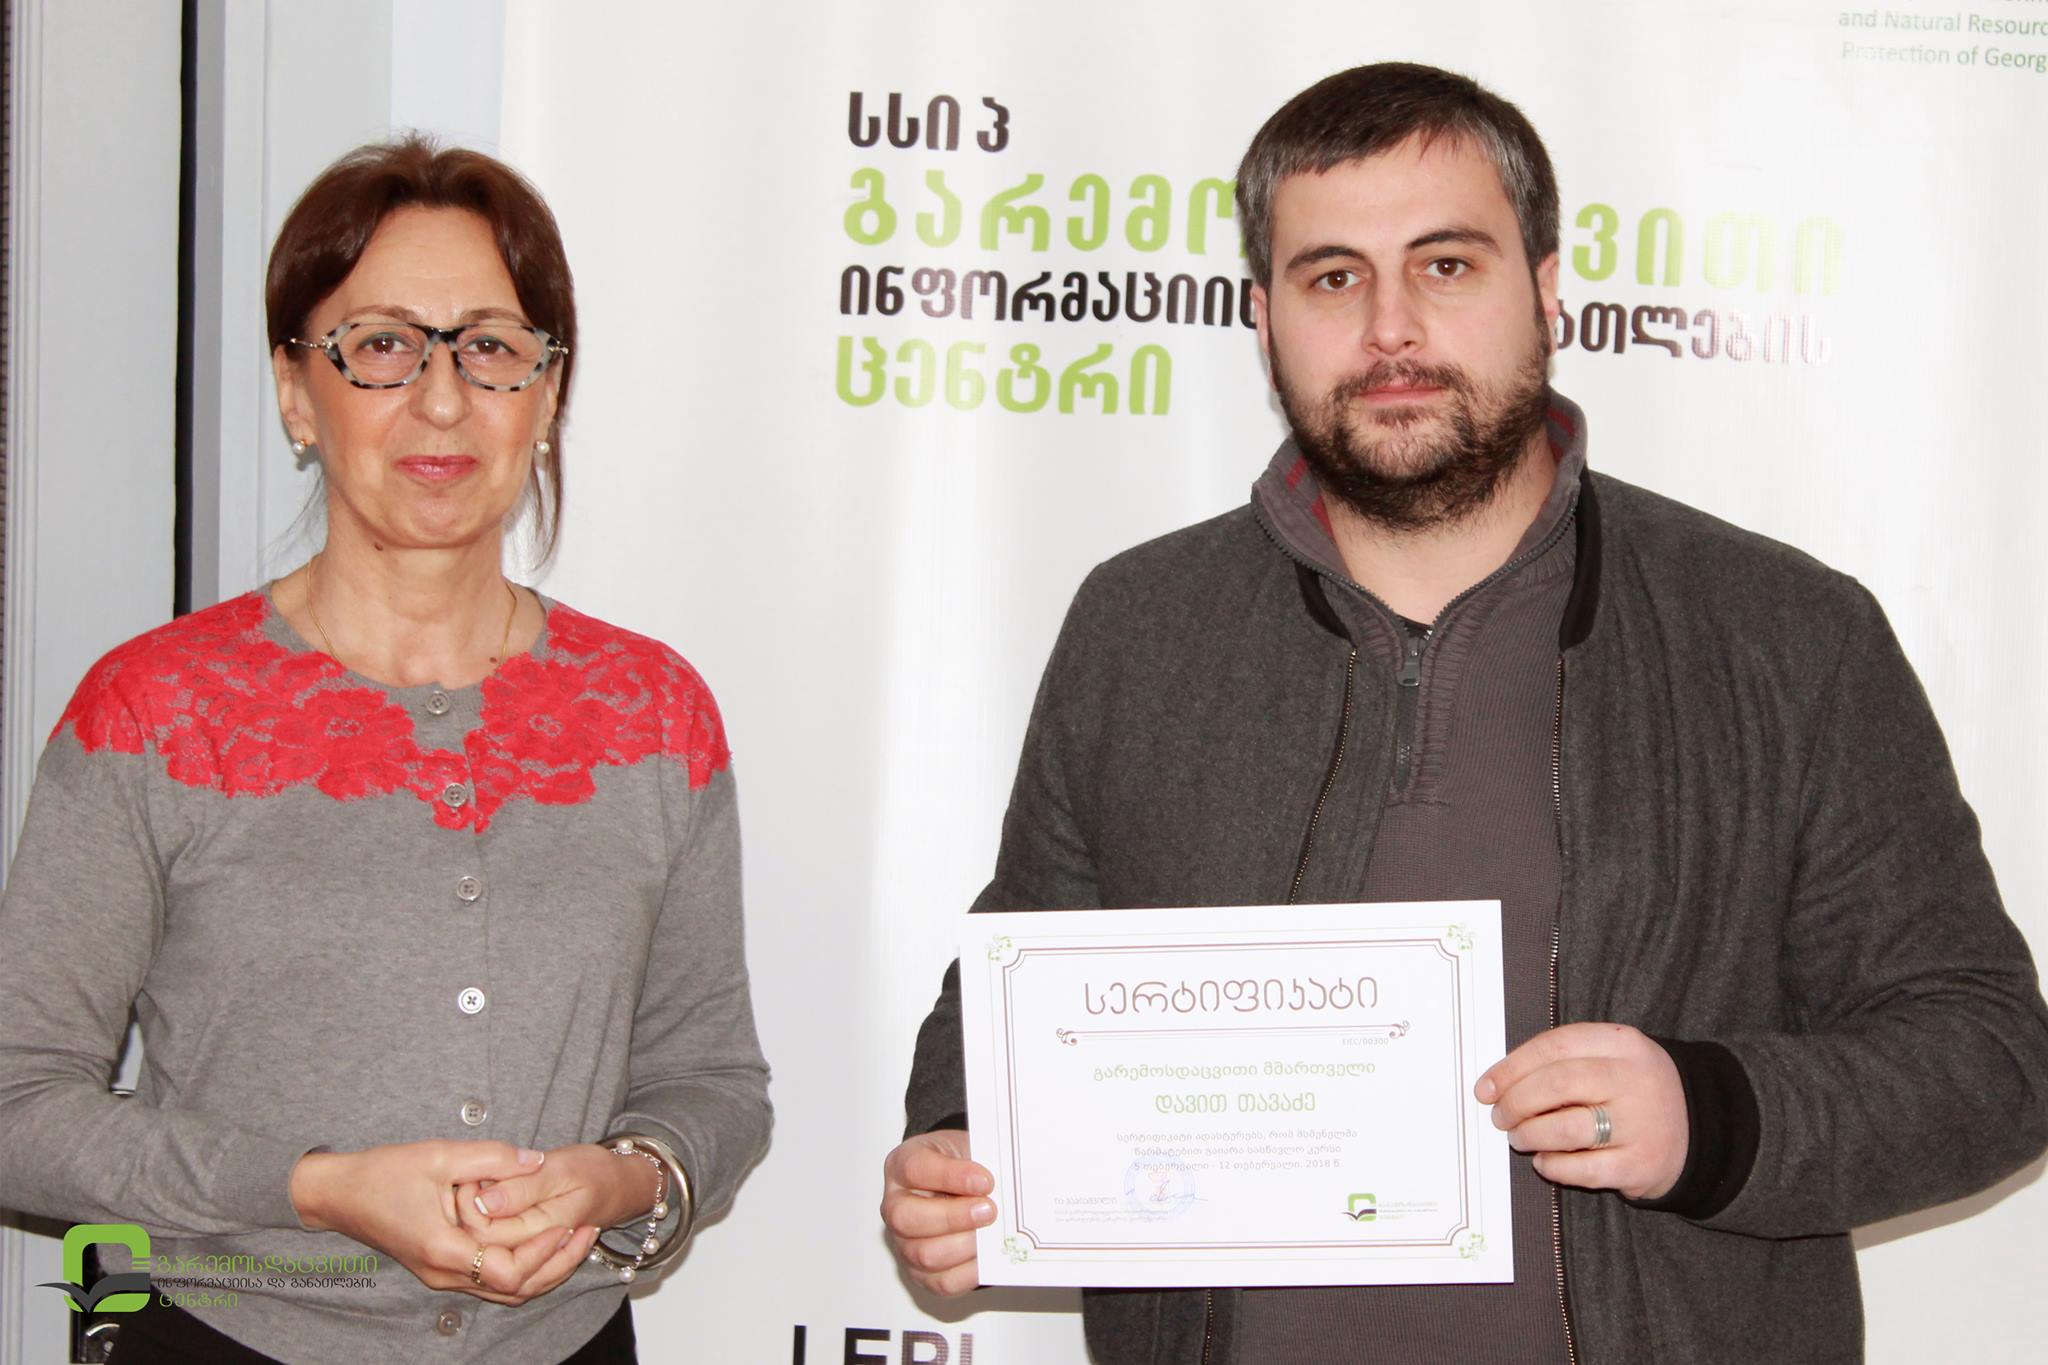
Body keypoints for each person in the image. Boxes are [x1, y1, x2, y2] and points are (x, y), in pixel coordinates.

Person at [880, 62, 2048, 1363]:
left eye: (1445, 266)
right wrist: (962, 1146)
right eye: (1333, 277)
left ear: (1544, 290)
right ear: (1263, 320)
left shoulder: (1784, 634)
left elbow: (1989, 1057)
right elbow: (1018, 980)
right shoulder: (1140, 626)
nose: (1391, 330)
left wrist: (1708, 1115)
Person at [0, 138, 771, 1363]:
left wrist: (622, 1180)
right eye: (382, 345)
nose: (443, 400)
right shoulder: (155, 710)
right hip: (223, 1338)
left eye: (492, 348)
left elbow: (712, 1080)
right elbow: (18, 1107)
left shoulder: (652, 712)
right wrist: (315, 1190)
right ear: (296, 392)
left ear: (548, 394)